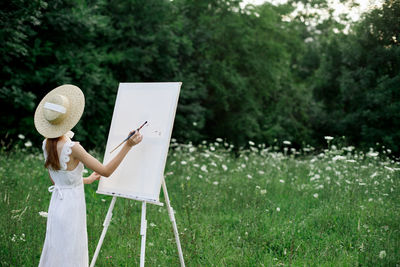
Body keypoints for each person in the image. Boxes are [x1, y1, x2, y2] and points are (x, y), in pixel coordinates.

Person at [34, 84, 143, 267]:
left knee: (57, 249)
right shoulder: (73, 148)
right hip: (71, 207)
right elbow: (106, 171)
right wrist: (128, 146)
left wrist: (87, 179)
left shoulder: (46, 144)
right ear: (69, 119)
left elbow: (57, 180)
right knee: (72, 251)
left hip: (56, 205)